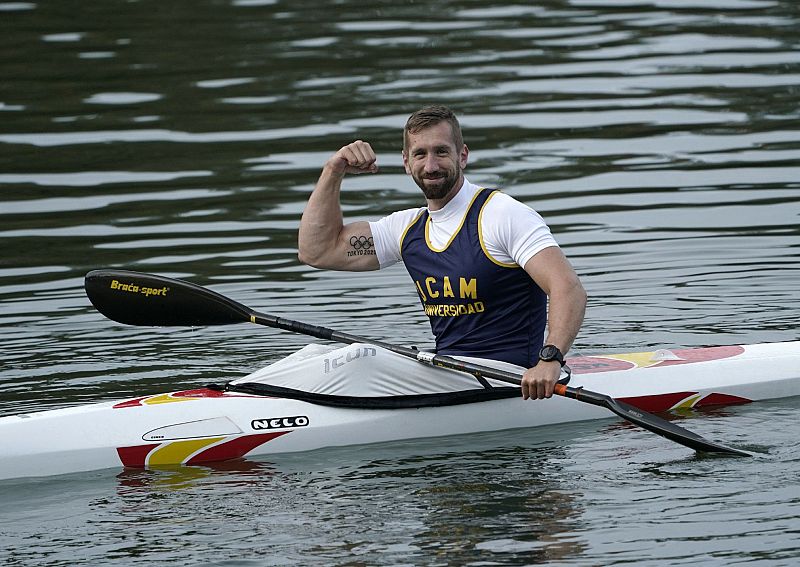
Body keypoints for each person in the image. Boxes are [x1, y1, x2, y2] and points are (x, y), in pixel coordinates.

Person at [298, 105, 586, 400]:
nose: (431, 165)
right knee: (316, 354)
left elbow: (567, 287)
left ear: (462, 156)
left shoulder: (502, 215)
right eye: (420, 154)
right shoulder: (406, 229)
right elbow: (317, 251)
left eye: (441, 152)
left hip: (509, 376)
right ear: (406, 163)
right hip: (451, 372)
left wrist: (550, 360)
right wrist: (333, 170)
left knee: (361, 358)